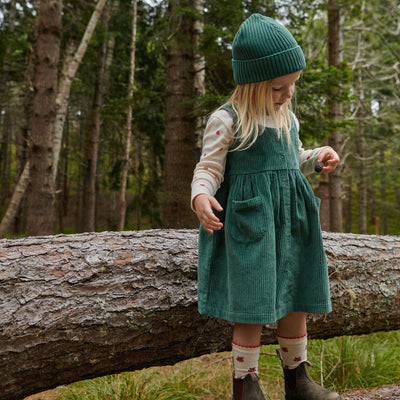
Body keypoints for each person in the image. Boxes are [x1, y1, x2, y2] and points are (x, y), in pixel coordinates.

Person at [191, 14, 341, 400]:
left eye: (292, 85)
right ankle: (247, 385)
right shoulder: (228, 119)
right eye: (279, 87)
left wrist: (316, 157)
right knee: (252, 304)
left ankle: (298, 380)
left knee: (296, 298)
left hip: (291, 223)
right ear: (253, 84)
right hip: (251, 225)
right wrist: (201, 196)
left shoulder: (285, 117)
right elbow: (208, 167)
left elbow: (293, 158)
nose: (288, 94)